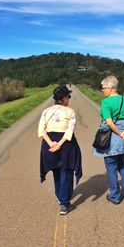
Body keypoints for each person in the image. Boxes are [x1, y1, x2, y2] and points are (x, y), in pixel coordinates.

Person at [38, 85, 82, 215]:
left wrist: (51, 143)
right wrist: (59, 144)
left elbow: (41, 130)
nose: (69, 98)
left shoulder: (46, 111)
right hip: (66, 144)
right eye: (68, 96)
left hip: (48, 143)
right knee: (67, 172)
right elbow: (69, 131)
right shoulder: (70, 112)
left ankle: (60, 196)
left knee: (56, 171)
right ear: (63, 98)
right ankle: (64, 204)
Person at [93, 75, 124, 204]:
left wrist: (118, 133)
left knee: (111, 165)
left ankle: (115, 196)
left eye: (104, 88)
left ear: (111, 88)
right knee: (122, 162)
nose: (102, 90)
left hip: (112, 137)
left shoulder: (106, 102)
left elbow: (109, 122)